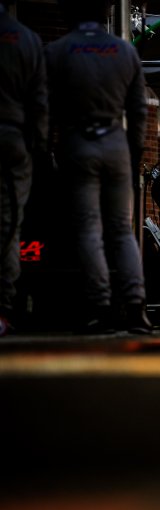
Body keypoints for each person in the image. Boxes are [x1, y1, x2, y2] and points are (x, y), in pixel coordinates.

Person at [46, 0, 150, 334]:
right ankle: (136, 308)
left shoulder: (57, 50)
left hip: (78, 141)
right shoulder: (124, 51)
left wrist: (47, 148)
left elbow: (44, 106)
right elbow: (138, 112)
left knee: (90, 228)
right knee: (122, 229)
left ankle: (101, 308)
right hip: (116, 143)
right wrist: (133, 155)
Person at [0, 0, 48, 336]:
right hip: (13, 138)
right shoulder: (26, 39)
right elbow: (39, 101)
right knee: (8, 225)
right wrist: (40, 148)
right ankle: (2, 309)